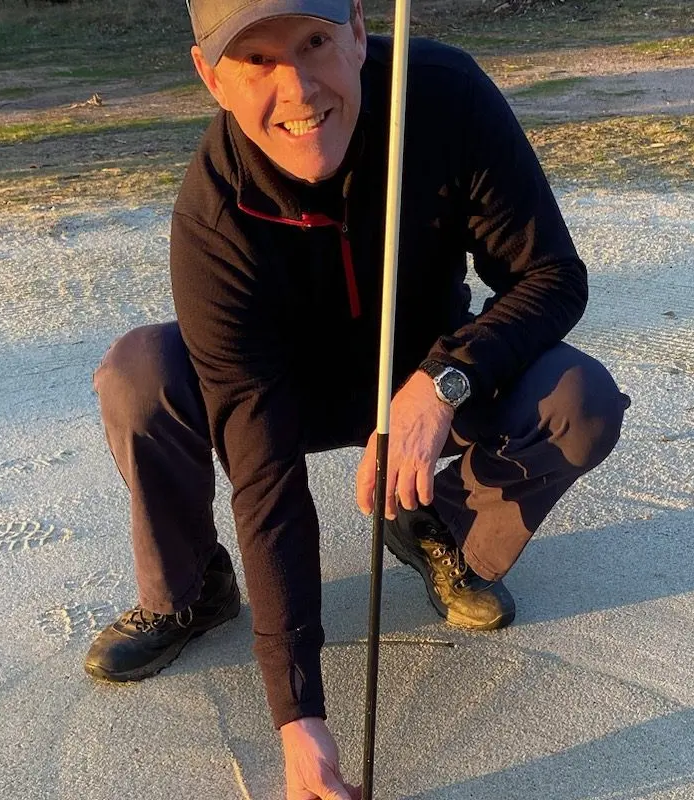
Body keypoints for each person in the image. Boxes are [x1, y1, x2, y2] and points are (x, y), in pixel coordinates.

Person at [85, 0, 630, 796]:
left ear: (359, 30)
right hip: (285, 392)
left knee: (579, 400)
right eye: (258, 61)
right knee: (139, 373)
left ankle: (437, 524)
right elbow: (264, 478)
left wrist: (444, 379)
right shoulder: (211, 216)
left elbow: (551, 276)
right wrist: (299, 718)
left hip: (426, 376)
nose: (300, 87)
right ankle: (192, 589)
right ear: (210, 77)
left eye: (313, 42)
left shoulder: (444, 95)